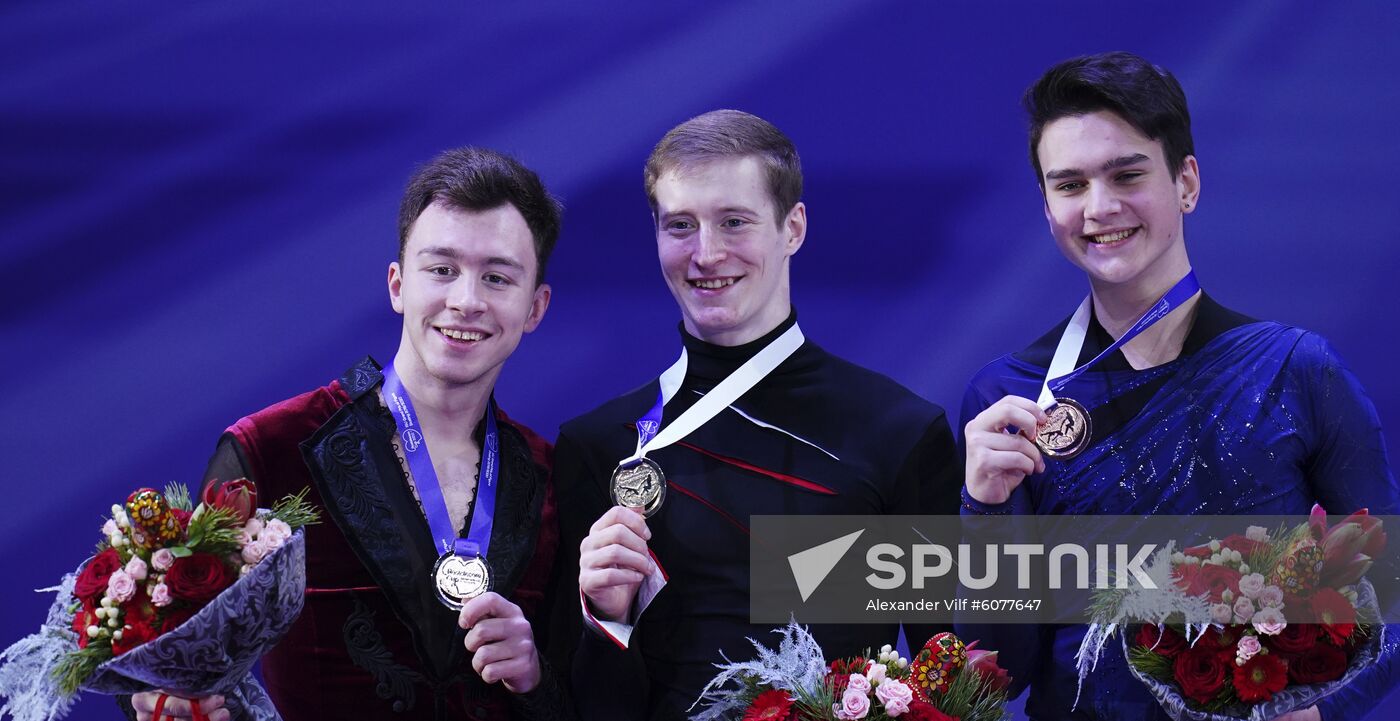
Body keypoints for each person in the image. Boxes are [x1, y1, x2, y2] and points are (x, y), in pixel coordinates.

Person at [957, 51, 1399, 720]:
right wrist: (983, 508)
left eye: (1126, 173)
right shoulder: (1009, 401)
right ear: (1047, 208)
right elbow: (997, 676)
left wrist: (1319, 709)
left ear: (1186, 182)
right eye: (1069, 185)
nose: (1099, 207)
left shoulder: (1296, 370)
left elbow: (1391, 595)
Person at [129, 147, 572, 721]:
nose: (466, 300)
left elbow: (587, 699)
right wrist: (171, 703)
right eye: (441, 270)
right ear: (397, 285)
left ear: (535, 307)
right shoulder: (272, 449)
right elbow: (163, 662)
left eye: (496, 277)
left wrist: (536, 676)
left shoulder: (552, 478)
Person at [551, 109, 963, 720]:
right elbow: (584, 704)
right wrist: (607, 622)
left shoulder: (898, 432)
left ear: (793, 227)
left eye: (734, 222)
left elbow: (947, 673)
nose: (706, 253)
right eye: (680, 226)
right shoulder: (602, 446)